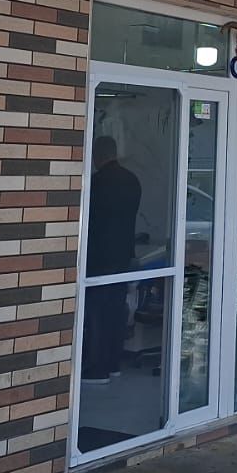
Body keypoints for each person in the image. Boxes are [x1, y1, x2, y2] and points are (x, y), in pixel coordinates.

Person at [83, 135, 142, 384]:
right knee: (116, 311)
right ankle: (113, 363)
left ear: (98, 156)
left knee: (97, 313)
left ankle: (97, 368)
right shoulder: (132, 181)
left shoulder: (96, 183)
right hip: (123, 257)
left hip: (99, 258)